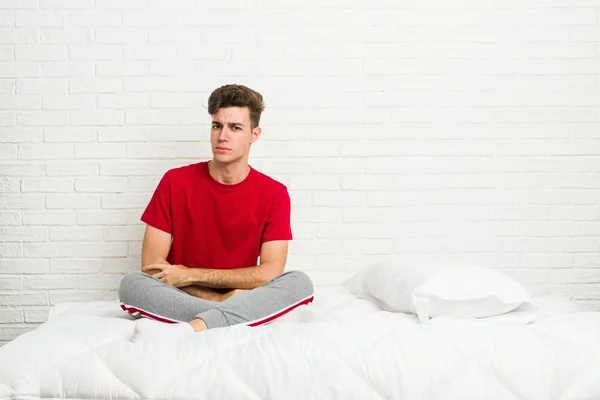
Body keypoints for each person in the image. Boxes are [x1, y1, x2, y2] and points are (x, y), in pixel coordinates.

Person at [117, 84, 314, 335]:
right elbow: (153, 266)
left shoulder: (274, 193)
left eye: (235, 128)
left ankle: (200, 324)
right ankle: (228, 316)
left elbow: (269, 273)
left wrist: (191, 275)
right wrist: (220, 299)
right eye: (216, 125)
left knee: (300, 282)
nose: (222, 136)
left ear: (254, 134)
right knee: (132, 284)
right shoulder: (175, 182)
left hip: (199, 287)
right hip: (188, 294)